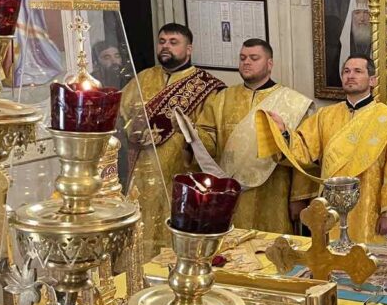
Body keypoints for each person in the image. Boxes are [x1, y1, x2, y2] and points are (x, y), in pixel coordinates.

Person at [260, 56, 387, 242]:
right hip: (331, 204)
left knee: (366, 255)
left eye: (358, 71)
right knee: (331, 253)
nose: (350, 75)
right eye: (346, 71)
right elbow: (304, 148)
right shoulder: (325, 116)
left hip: (368, 205)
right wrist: (283, 133)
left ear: (372, 80)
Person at [191, 39, 315, 234]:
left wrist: (298, 199)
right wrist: (191, 133)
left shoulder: (292, 102)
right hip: (229, 194)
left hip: (274, 194)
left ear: (269, 64)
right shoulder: (222, 98)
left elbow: (303, 153)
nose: (246, 62)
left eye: (254, 58)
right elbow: (209, 145)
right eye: (242, 58)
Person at [121, 23, 225, 254]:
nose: (165, 46)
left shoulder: (207, 87)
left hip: (179, 178)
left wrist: (187, 133)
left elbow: (211, 139)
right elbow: (121, 119)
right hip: (138, 175)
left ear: (189, 49)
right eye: (162, 42)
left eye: (173, 42)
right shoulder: (143, 78)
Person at [338, 0, 371, 81]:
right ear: (351, 16)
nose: (362, 18)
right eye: (357, 13)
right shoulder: (345, 41)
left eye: (366, 13)